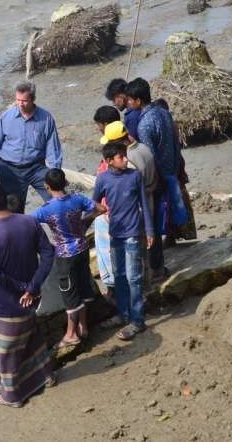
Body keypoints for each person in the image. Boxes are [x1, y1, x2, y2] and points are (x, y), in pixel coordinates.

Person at [0, 182, 56, 408]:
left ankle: (11, 396)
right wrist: (33, 286)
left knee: (6, 350)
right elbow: (48, 254)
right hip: (33, 298)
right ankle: (45, 376)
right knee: (31, 336)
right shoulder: (29, 222)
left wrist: (24, 288)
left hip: (8, 302)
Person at [32, 169, 105, 347]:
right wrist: (84, 223)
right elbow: (101, 209)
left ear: (47, 187)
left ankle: (71, 333)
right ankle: (84, 326)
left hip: (65, 255)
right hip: (82, 248)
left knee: (70, 295)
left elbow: (26, 223)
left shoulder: (46, 210)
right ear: (65, 183)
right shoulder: (78, 199)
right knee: (83, 287)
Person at [92, 143, 154, 341]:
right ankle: (124, 314)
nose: (126, 160)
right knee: (119, 276)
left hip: (133, 233)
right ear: (109, 161)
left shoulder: (134, 176)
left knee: (134, 278)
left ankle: (137, 321)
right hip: (115, 234)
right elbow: (94, 204)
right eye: (121, 157)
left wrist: (150, 230)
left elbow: (144, 203)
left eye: (125, 156)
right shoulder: (102, 179)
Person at [130, 78, 186, 283]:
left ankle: (155, 269)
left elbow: (148, 159)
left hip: (159, 178)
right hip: (171, 171)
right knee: (166, 217)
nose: (128, 104)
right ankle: (160, 264)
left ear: (137, 100)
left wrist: (151, 184)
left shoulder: (144, 125)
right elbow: (175, 144)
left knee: (151, 223)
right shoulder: (163, 113)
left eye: (129, 101)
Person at [0, 81, 63, 213]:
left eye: (24, 101)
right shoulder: (6, 118)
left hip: (37, 168)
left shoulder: (46, 119)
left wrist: (55, 175)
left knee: (58, 201)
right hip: (10, 170)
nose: (20, 104)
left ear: (33, 99)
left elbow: (53, 149)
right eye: (18, 100)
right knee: (13, 211)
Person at [154, 98, 197, 244]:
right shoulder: (170, 125)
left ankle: (173, 235)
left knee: (173, 202)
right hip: (176, 167)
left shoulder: (167, 126)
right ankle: (177, 233)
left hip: (173, 169)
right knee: (177, 201)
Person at [91, 106, 123, 299]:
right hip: (124, 214)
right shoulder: (130, 159)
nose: (99, 130)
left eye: (100, 126)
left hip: (108, 213)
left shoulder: (109, 166)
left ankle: (113, 290)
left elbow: (98, 195)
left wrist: (90, 214)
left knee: (107, 253)